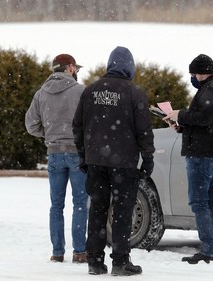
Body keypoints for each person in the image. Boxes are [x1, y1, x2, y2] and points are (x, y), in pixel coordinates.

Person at [72, 46, 155, 276]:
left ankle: (95, 262)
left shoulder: (90, 90)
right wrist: (147, 157)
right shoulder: (134, 93)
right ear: (129, 67)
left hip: (96, 162)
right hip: (124, 164)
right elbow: (144, 130)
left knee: (97, 210)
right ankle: (120, 261)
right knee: (122, 211)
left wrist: (84, 155)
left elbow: (77, 126)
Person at [164, 54, 213, 264]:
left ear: (201, 73)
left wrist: (180, 114)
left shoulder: (210, 89)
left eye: (193, 73)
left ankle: (209, 249)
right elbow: (206, 121)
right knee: (212, 200)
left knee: (199, 201)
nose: (192, 77)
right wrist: (181, 126)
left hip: (202, 154)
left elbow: (204, 118)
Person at [25, 54, 88, 263]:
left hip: (54, 153)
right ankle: (79, 251)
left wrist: (50, 134)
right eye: (75, 68)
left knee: (56, 204)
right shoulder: (80, 91)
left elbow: (31, 125)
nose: (76, 71)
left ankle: (57, 252)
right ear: (69, 68)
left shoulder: (41, 93)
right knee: (80, 202)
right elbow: (91, 121)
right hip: (77, 153)